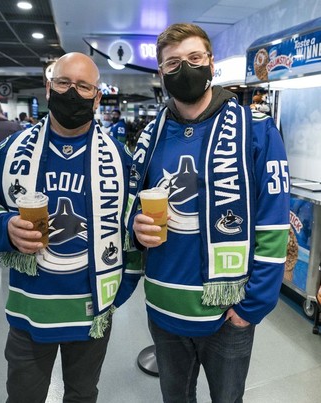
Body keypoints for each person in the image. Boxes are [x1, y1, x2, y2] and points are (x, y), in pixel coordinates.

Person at [125, 23, 290, 403]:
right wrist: (135, 228)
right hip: (164, 307)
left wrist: (253, 306)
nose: (184, 69)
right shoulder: (150, 136)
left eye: (194, 58)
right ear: (161, 74)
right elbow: (131, 207)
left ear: (211, 63)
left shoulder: (256, 131)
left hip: (227, 311)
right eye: (172, 63)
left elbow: (274, 223)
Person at [0, 52, 140, 402]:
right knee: (24, 396)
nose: (72, 93)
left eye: (83, 86)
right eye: (63, 83)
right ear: (49, 87)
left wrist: (117, 296)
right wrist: (5, 227)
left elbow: (132, 230)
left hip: (92, 312)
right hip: (30, 312)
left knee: (81, 395)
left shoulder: (120, 159)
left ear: (97, 96)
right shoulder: (10, 150)